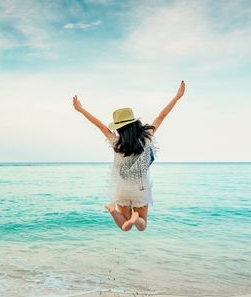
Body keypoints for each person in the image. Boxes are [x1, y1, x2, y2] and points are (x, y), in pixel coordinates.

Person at [72, 81, 186, 232]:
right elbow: (161, 116)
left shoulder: (116, 142)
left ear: (119, 128)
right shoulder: (146, 138)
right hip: (140, 189)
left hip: (122, 189)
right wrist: (177, 97)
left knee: (124, 227)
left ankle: (113, 211)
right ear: (134, 123)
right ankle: (136, 218)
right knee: (142, 225)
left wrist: (81, 109)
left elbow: (100, 125)